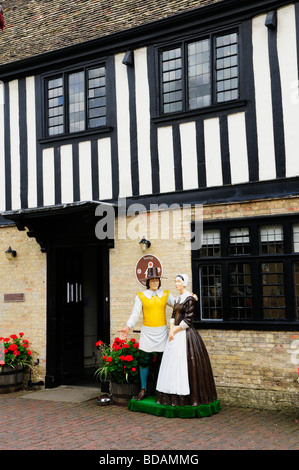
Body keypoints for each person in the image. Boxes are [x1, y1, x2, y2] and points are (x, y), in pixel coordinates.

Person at [156, 273, 218, 407]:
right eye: (175, 281)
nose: (176, 283)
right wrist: (171, 329)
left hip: (185, 335)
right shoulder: (178, 298)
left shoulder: (190, 299)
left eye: (178, 281)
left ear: (184, 283)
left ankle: (188, 397)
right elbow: (173, 314)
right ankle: (170, 396)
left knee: (185, 364)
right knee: (171, 364)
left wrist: (175, 330)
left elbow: (188, 320)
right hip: (174, 335)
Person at [119, 267, 175, 401]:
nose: (155, 283)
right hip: (147, 333)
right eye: (152, 280)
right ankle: (143, 389)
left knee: (163, 361)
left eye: (157, 280)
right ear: (148, 282)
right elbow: (135, 313)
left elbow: (178, 305)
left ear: (159, 282)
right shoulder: (141, 296)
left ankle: (162, 390)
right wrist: (128, 326)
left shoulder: (166, 294)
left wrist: (188, 298)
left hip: (162, 332)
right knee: (144, 360)